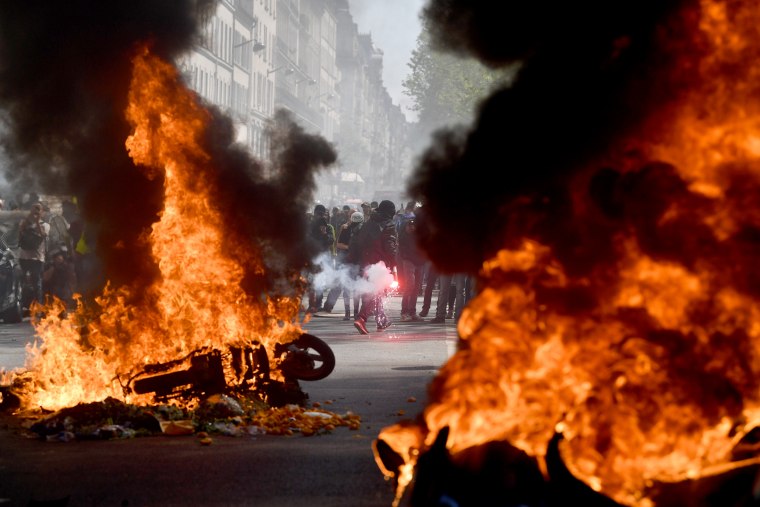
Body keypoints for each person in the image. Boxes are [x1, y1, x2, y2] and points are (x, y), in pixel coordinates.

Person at [353, 200, 399, 335]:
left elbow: (358, 241)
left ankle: (381, 320)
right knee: (375, 293)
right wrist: (395, 262)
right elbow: (390, 246)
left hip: (366, 261)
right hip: (380, 263)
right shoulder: (389, 224)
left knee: (376, 292)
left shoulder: (368, 222)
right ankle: (361, 318)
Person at [330, 210, 364, 320]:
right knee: (346, 287)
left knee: (357, 288)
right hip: (347, 262)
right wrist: (350, 248)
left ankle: (356, 312)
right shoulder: (346, 229)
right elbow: (339, 244)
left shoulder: (364, 230)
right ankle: (347, 312)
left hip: (358, 262)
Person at [18, 202, 50, 309]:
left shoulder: (45, 225)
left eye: (38, 209)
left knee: (37, 283)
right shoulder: (25, 222)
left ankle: (39, 307)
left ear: (43, 212)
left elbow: (43, 235)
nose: (35, 211)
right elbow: (20, 232)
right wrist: (29, 218)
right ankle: (21, 306)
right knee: (21, 282)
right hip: (24, 257)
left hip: (37, 258)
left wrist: (37, 221)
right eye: (33, 209)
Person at [306, 204, 336, 313]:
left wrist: (324, 234)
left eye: (321, 214)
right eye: (317, 213)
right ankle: (312, 304)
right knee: (312, 281)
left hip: (323, 256)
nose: (319, 216)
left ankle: (318, 304)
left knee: (320, 281)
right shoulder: (310, 226)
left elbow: (331, 241)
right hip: (313, 256)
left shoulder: (328, 227)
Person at [398, 218, 425, 321]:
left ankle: (412, 312)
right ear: (406, 227)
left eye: (413, 225)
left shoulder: (419, 235)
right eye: (409, 225)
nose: (412, 227)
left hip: (420, 262)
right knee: (410, 285)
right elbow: (401, 250)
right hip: (409, 261)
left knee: (416, 287)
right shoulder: (403, 236)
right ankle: (404, 312)